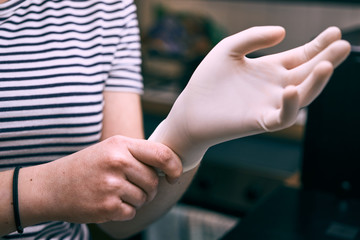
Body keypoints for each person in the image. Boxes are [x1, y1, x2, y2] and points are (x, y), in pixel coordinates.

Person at [0, 0, 351, 239]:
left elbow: (121, 221)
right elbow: (58, 190)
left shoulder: (103, 8)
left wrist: (185, 136)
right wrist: (42, 191)